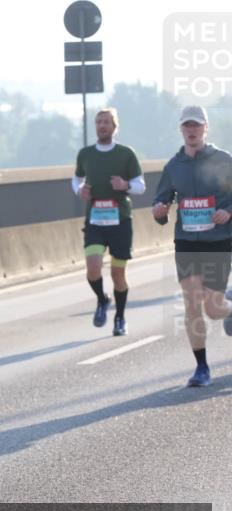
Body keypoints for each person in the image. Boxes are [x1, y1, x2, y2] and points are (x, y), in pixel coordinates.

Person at [152, 105, 232, 387]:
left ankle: (229, 309)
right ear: (181, 130)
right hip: (186, 242)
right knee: (191, 303)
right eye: (187, 126)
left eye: (196, 125)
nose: (192, 130)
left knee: (213, 308)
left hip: (218, 240)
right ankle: (201, 368)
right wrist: (159, 210)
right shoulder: (174, 166)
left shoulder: (224, 160)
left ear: (205, 128)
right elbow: (161, 200)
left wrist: (228, 212)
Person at [72, 108, 146, 335]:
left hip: (120, 220)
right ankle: (102, 299)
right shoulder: (85, 153)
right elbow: (77, 178)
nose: (102, 126)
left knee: (117, 274)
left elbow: (141, 186)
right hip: (95, 219)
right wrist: (80, 190)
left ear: (115, 126)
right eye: (98, 122)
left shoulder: (126, 154)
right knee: (93, 268)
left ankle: (120, 318)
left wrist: (125, 185)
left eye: (106, 122)